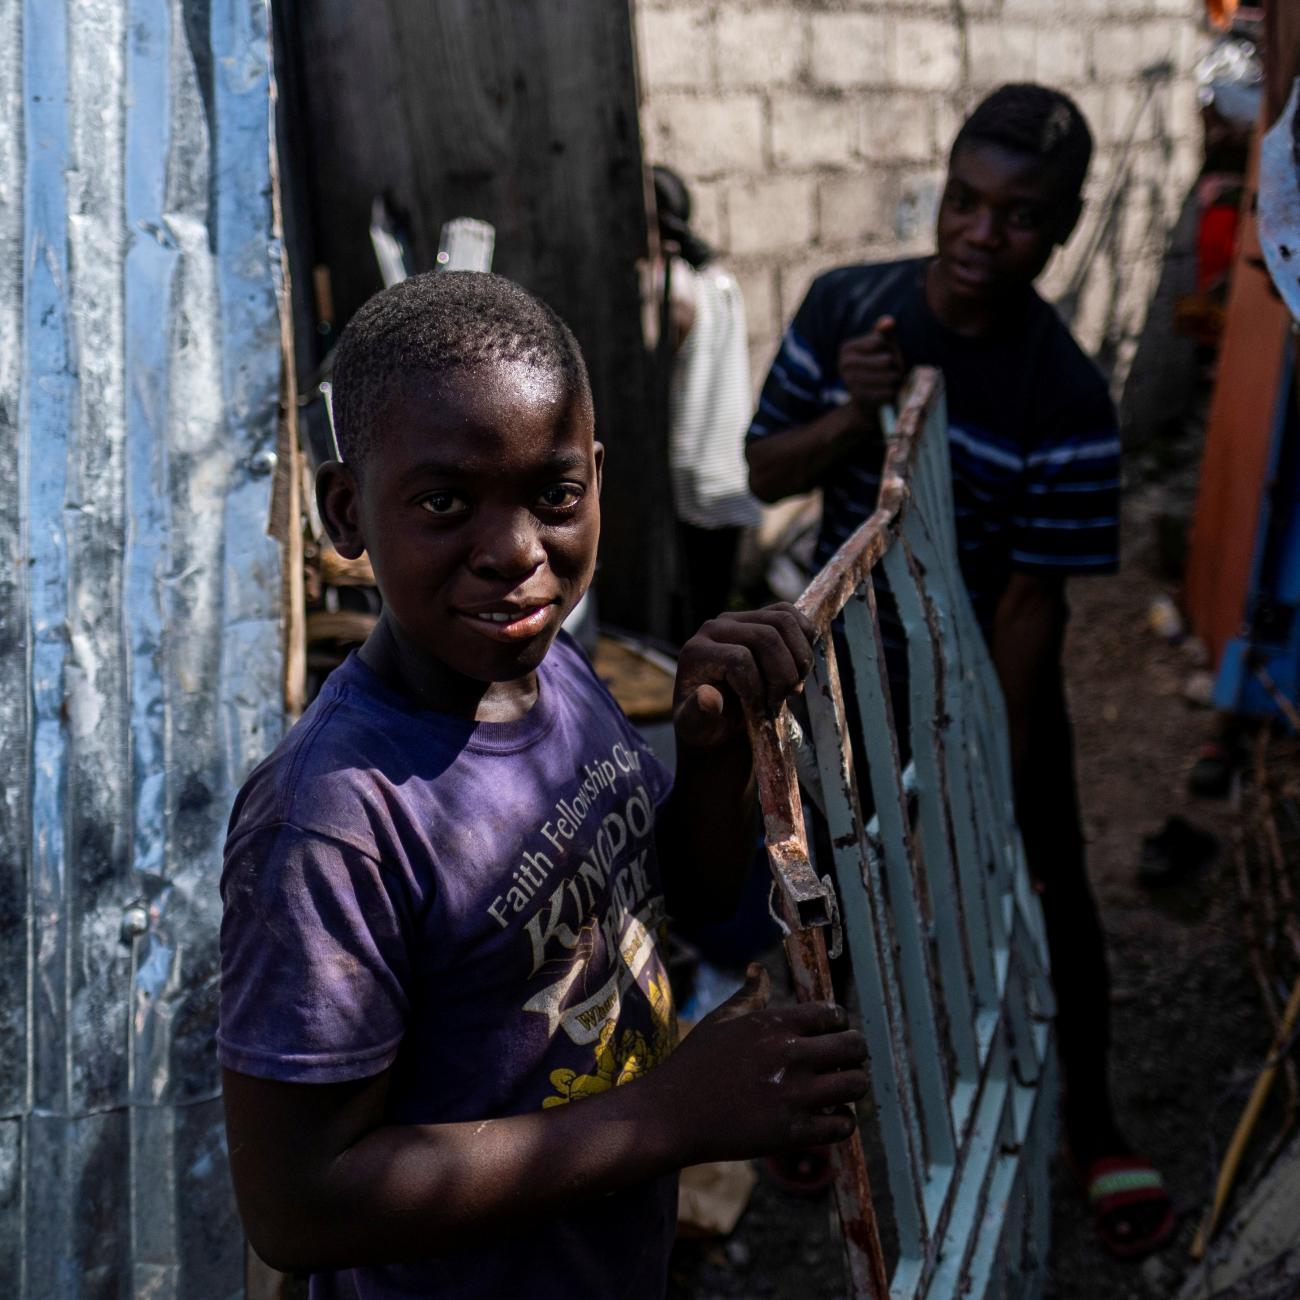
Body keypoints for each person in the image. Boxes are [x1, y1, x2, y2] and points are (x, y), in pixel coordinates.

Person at [217, 271, 868, 1298]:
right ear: (347, 510)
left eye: (554, 495)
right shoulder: (335, 823)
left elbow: (682, 908)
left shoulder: (551, 668)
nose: (516, 554)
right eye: (443, 502)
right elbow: (298, 1204)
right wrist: (671, 1116)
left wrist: (709, 756)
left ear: (597, 480)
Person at [746, 84, 1174, 1260]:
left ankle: (1091, 1120)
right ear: (939, 191)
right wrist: (854, 415)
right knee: (821, 886)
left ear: (1066, 223)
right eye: (964, 202)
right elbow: (764, 463)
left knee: (1047, 880)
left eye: (1020, 216)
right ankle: (808, 1097)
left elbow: (1033, 608)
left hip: (987, 671)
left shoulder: (1068, 396)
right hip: (843, 679)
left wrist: (987, 761)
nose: (983, 235)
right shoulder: (852, 307)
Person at [652, 165, 762, 636]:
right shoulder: (718, 277)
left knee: (691, 626)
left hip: (691, 480)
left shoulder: (672, 290)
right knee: (715, 612)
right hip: (728, 471)